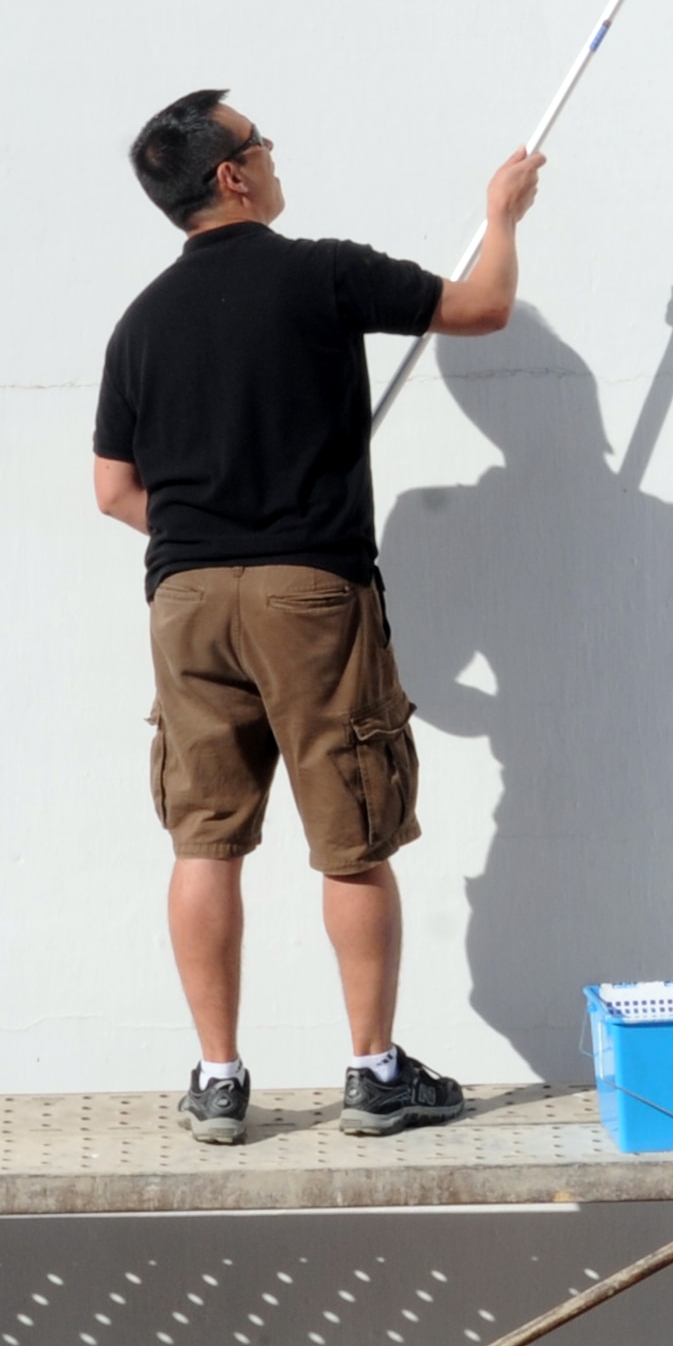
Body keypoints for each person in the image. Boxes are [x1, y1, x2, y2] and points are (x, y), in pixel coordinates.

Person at [92, 90, 544, 1142]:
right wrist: (505, 212)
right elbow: (480, 307)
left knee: (204, 838)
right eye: (261, 143)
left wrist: (209, 525)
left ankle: (216, 1078)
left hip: (188, 596)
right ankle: (374, 1070)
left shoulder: (141, 323)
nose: (273, 154)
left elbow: (114, 489)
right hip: (309, 586)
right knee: (352, 836)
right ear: (233, 177)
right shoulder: (321, 274)